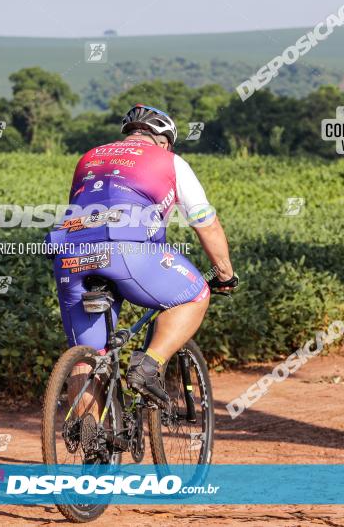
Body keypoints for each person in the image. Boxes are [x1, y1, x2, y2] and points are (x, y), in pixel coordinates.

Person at [47, 103, 237, 405]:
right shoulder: (170, 161)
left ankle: (90, 440)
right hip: (127, 251)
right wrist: (225, 274)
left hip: (70, 254)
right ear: (163, 141)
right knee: (196, 294)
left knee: (90, 358)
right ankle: (147, 367)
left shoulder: (89, 157)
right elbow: (205, 223)